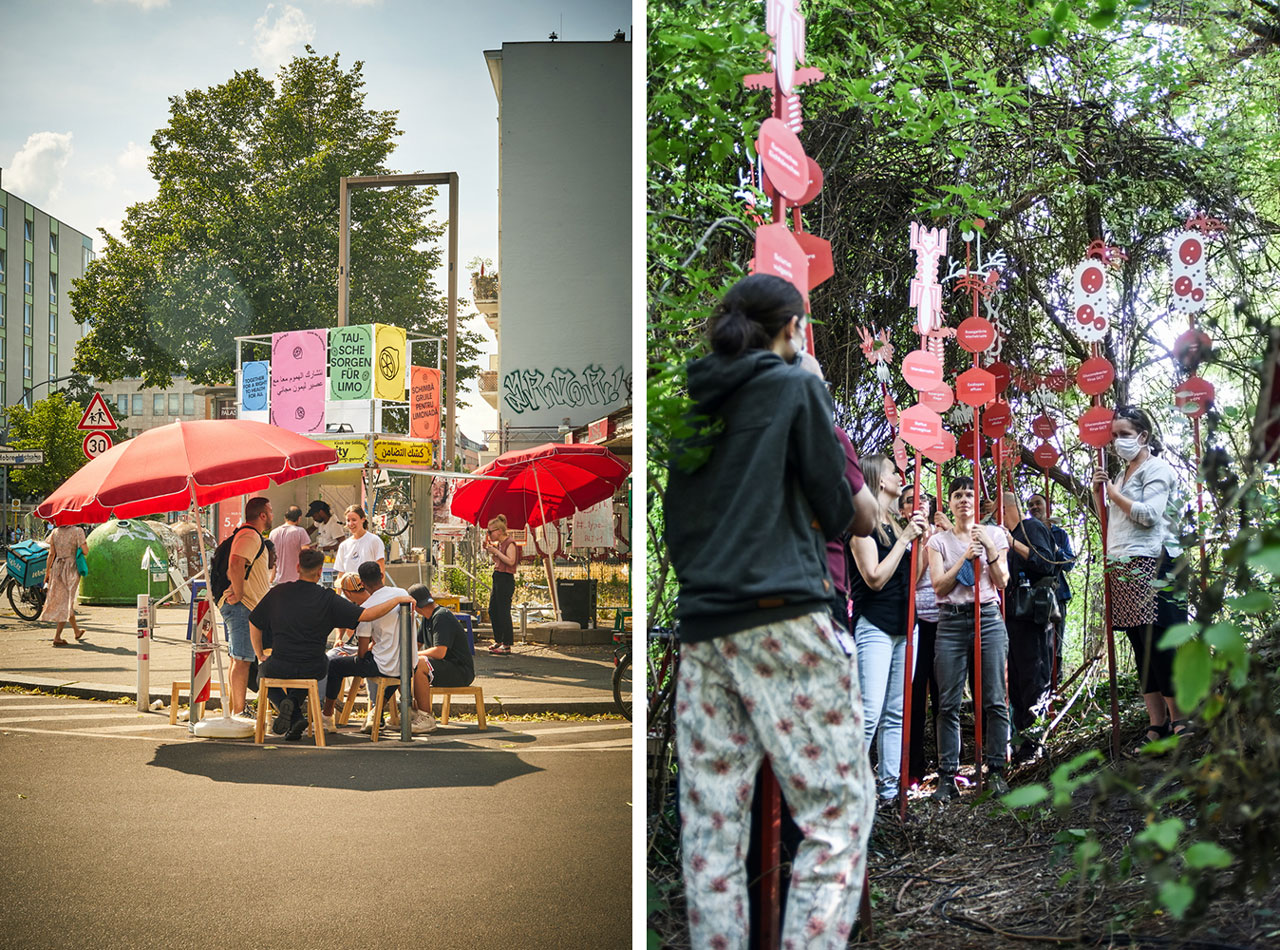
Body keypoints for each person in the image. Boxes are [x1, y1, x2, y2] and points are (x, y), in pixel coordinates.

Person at [664, 273, 875, 949]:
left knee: (712, 835)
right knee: (838, 814)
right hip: (787, 619)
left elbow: (677, 530)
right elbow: (840, 511)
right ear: (793, 329)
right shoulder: (795, 388)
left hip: (704, 633)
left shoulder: (691, 408)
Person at [1092, 404, 1189, 747]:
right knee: (1139, 644)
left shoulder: (1156, 468)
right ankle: (1156, 722)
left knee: (1159, 640)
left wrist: (1113, 494)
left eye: (1125, 434)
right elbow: (1112, 520)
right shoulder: (1121, 476)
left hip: (1154, 560)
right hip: (1122, 563)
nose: (1118, 441)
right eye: (1114, 435)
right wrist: (1100, 494)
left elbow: (1148, 515)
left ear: (1143, 436)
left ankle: (1180, 718)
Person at [252, 550, 417, 737]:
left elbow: (254, 621)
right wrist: (397, 600)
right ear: (320, 571)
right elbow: (366, 615)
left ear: (298, 567)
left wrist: (259, 653)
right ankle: (295, 714)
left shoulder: (279, 592)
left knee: (262, 672)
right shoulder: (327, 597)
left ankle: (294, 709)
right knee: (316, 669)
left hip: (280, 664)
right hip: (313, 666)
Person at [848, 455, 928, 808]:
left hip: (906, 627)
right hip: (875, 626)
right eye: (893, 472)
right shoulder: (861, 526)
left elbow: (914, 577)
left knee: (896, 714)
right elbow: (875, 578)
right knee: (869, 713)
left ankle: (889, 792)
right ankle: (849, 793)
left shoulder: (897, 524)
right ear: (880, 481)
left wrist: (920, 540)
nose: (900, 476)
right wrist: (904, 539)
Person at [927, 476, 1012, 799]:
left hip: (987, 617)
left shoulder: (994, 534)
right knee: (948, 702)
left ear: (977, 502)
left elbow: (1002, 581)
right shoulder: (938, 542)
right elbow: (939, 586)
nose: (964, 499)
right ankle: (947, 777)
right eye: (958, 495)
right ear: (949, 503)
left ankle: (996, 771)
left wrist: (989, 547)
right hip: (951, 622)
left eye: (969, 494)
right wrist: (964, 557)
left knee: (994, 698)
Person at [321, 561, 433, 734]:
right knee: (392, 665)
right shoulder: (402, 593)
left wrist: (360, 655)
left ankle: (327, 716)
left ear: (362, 583)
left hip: (384, 665)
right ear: (381, 575)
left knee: (336, 665)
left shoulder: (366, 608)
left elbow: (362, 651)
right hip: (409, 663)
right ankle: (376, 713)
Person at [1000, 491, 1059, 765]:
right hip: (1013, 618)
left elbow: (1048, 565)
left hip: (1033, 616)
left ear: (1006, 508)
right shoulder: (1009, 535)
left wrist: (1013, 543)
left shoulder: (1031, 528)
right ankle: (1022, 743)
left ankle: (1035, 744)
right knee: (1017, 681)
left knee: (1034, 678)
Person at [901, 489, 944, 786]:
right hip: (915, 624)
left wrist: (939, 537)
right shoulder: (901, 539)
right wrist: (922, 546)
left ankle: (947, 766)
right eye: (911, 501)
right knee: (915, 699)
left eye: (923, 499)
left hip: (944, 623)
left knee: (944, 697)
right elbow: (910, 581)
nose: (919, 504)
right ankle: (914, 767)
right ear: (903, 510)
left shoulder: (943, 534)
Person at [219, 496, 273, 719]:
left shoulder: (249, 534)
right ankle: (239, 711)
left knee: (238, 658)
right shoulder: (250, 535)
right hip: (244, 606)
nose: (272, 515)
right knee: (242, 660)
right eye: (270, 511)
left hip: (246, 606)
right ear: (263, 515)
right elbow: (235, 561)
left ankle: (237, 708)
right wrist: (239, 592)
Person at [406, 584, 476, 729]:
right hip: (445, 666)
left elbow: (439, 652)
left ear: (414, 606)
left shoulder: (441, 616)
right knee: (406, 663)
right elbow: (415, 645)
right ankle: (412, 710)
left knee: (419, 663)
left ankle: (426, 716)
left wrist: (413, 654)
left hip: (460, 671)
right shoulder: (427, 618)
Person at [1027, 493, 1076, 687]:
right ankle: (1038, 686)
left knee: (1055, 643)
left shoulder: (1060, 534)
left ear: (1047, 506)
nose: (1034, 507)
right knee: (1035, 643)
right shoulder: (1026, 532)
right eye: (1030, 505)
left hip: (1056, 595)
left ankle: (1055, 686)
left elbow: (1069, 564)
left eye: (1038, 503)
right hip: (1032, 595)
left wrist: (1054, 546)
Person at [40, 523, 89, 646]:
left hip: (57, 567)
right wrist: (81, 546)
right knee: (67, 601)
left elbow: (51, 554)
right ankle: (57, 637)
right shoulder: (78, 531)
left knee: (65, 600)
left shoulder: (55, 532)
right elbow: (85, 551)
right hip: (71, 568)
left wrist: (47, 572)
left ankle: (77, 631)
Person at [481, 514, 521, 655]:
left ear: (499, 531)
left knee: (503, 611)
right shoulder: (500, 544)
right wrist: (492, 552)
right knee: (493, 610)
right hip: (498, 576)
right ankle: (499, 639)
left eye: (490, 532)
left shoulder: (510, 543)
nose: (489, 535)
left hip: (505, 578)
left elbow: (511, 561)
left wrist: (496, 552)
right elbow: (498, 561)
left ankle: (507, 643)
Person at [333, 505, 385, 575]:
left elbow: (381, 571)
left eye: (354, 520)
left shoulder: (374, 540)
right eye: (348, 520)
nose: (351, 524)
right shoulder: (343, 546)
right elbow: (341, 574)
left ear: (363, 519)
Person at [268, 505, 311, 585]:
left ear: (285, 518)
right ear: (299, 518)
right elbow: (306, 554)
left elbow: (271, 558)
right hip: (296, 579)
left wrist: (271, 579)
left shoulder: (273, 533)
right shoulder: (300, 532)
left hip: (278, 580)